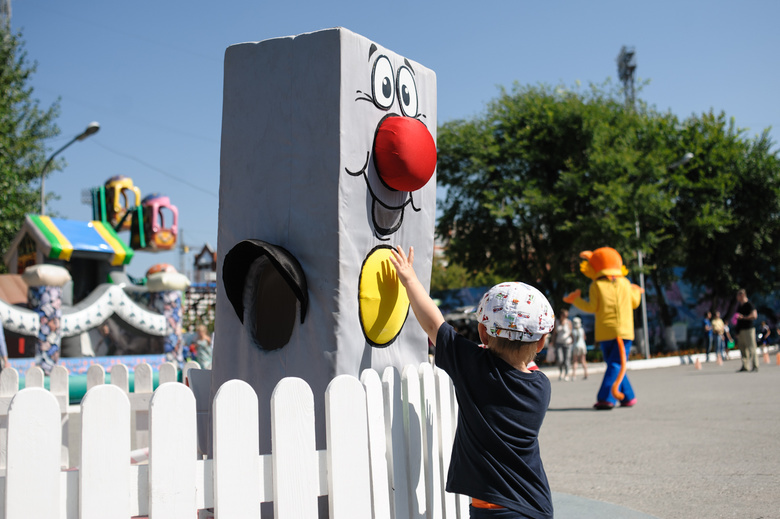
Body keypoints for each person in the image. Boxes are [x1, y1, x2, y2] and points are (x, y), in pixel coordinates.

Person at [389, 246, 555, 518]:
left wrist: (410, 279)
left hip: (492, 509)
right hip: (535, 504)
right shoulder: (541, 387)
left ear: (482, 332)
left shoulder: (473, 367)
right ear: (541, 342)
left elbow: (434, 325)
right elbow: (521, 364)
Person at [564, 247, 642, 410]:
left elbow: (592, 307)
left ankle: (606, 398)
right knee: (616, 364)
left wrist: (576, 300)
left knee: (614, 364)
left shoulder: (596, 285)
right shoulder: (625, 283)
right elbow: (635, 303)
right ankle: (628, 396)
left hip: (605, 331)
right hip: (625, 331)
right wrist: (637, 292)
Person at [734, 289, 758, 372]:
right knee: (742, 349)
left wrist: (744, 317)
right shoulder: (739, 306)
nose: (737, 297)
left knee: (751, 348)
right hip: (741, 330)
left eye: (738, 295)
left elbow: (754, 315)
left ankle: (755, 365)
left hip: (749, 329)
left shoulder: (749, 304)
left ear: (742, 295)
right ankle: (745, 366)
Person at [551, 308, 573, 381]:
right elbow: (554, 333)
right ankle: (561, 372)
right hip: (558, 343)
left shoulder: (568, 322)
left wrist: (573, 341)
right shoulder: (556, 322)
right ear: (561, 315)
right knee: (560, 359)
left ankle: (567, 374)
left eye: (566, 315)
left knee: (567, 359)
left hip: (567, 343)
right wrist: (553, 342)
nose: (565, 317)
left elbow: (571, 332)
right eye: (564, 315)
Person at [570, 316, 588, 380]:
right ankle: (586, 374)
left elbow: (572, 340)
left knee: (575, 361)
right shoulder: (582, 330)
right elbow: (584, 338)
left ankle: (574, 375)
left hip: (575, 346)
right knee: (583, 360)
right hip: (582, 346)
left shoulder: (573, 331)